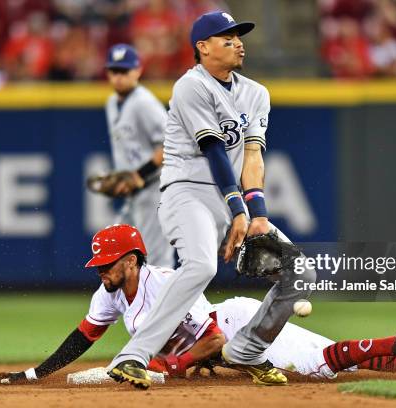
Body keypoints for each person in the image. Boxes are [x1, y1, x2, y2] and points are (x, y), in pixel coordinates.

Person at [105, 10, 319, 389]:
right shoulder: (191, 86)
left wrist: (258, 214)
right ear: (202, 48)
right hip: (186, 192)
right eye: (227, 37)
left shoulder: (256, 93)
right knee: (201, 266)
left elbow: (252, 156)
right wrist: (238, 209)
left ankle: (247, 350)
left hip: (228, 198)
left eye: (239, 36)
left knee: (300, 272)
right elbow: (214, 151)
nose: (239, 42)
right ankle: (133, 355)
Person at [0, 225, 396, 386]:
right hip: (218, 343)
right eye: (99, 265)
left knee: (322, 366)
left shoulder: (170, 283)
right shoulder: (108, 293)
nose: (100, 271)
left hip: (234, 326)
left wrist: (169, 366)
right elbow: (81, 338)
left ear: (133, 261)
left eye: (108, 264)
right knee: (328, 363)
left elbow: (213, 339)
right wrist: (32, 376)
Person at [101, 43, 173, 267]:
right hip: (135, 194)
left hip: (156, 190)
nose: (119, 77)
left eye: (125, 71)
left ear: (138, 71)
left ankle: (167, 303)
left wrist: (139, 174)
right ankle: (127, 302)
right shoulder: (112, 103)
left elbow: (171, 144)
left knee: (157, 262)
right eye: (115, 71)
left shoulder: (144, 103)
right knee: (116, 251)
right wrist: (122, 178)